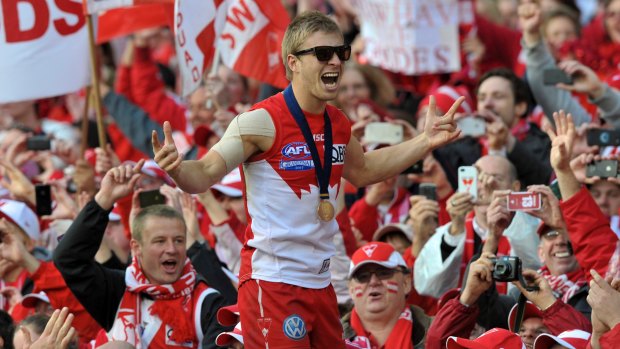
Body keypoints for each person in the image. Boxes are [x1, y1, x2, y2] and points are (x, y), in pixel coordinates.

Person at [151, 10, 464, 348]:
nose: (335, 62)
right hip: (273, 283)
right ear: (293, 62)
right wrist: (178, 168)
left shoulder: (338, 123)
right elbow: (205, 173)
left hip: (321, 281)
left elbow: (366, 170)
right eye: (322, 53)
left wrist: (424, 141)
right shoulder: (259, 121)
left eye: (340, 53)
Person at [53, 161, 230, 348]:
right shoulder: (119, 289)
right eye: (160, 241)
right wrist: (104, 199)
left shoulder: (207, 302)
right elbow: (68, 259)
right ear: (136, 248)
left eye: (178, 240)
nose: (171, 249)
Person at [341, 242, 431, 349]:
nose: (373, 282)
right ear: (351, 290)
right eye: (363, 276)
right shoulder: (328, 340)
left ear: (406, 283)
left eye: (383, 273)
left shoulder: (439, 334)